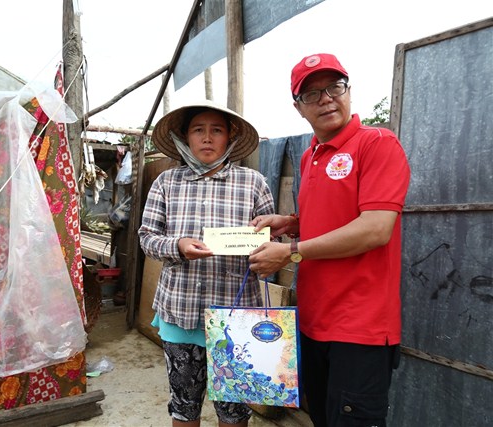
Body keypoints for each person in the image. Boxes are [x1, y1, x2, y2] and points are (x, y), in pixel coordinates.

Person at [248, 53, 411, 427]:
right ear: (298, 107)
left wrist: (290, 252)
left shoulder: (377, 143)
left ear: (348, 91)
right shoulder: (310, 157)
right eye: (311, 94)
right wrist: (291, 223)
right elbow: (332, 218)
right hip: (313, 322)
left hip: (360, 329)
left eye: (334, 87)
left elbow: (375, 228)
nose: (325, 99)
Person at [139, 100, 275, 427]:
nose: (207, 137)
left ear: (230, 137)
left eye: (217, 130)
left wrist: (265, 255)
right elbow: (146, 237)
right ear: (185, 137)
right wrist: (178, 246)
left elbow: (273, 240)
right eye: (198, 130)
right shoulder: (166, 183)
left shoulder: (253, 183)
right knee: (184, 407)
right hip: (180, 313)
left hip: (235, 318)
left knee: (234, 412)